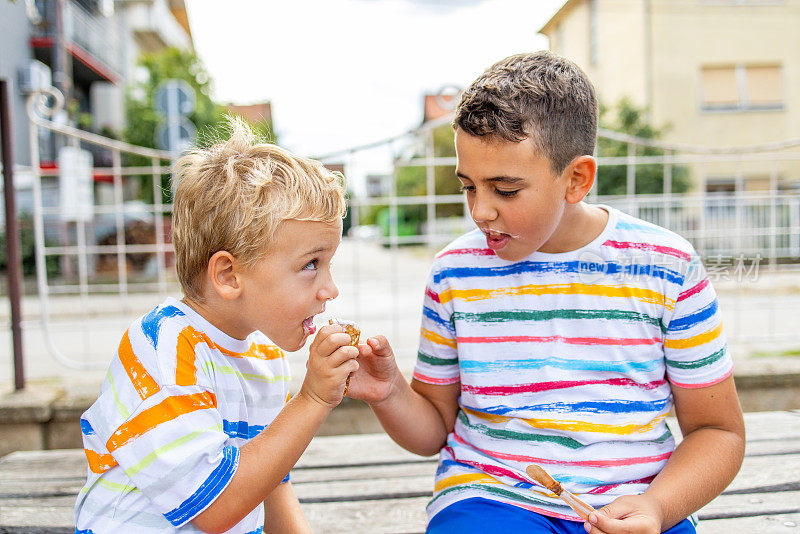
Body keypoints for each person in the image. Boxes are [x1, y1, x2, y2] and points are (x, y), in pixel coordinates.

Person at [348, 51, 745, 534]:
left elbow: (718, 431)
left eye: (506, 190)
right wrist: (388, 391)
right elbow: (434, 429)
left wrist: (657, 507)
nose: (481, 212)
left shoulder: (667, 266)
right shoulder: (455, 272)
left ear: (576, 179)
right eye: (469, 186)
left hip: (637, 503)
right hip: (492, 498)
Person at [74, 118, 358, 533]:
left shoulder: (265, 355)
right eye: (311, 265)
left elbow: (268, 482)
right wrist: (312, 398)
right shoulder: (164, 350)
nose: (330, 289)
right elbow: (214, 508)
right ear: (228, 275)